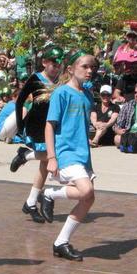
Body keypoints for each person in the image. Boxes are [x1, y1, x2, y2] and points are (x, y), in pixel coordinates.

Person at [39, 52, 98, 261]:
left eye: (92, 67)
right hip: (66, 152)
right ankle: (50, 194)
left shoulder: (87, 95)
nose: (90, 70)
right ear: (71, 69)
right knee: (86, 190)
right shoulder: (61, 93)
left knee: (88, 198)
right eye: (84, 66)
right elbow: (49, 125)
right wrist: (52, 157)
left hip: (83, 154)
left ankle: (61, 242)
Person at [9, 47, 64, 223]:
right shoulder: (35, 79)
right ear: (45, 63)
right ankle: (25, 155)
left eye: (58, 65)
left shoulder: (61, 81)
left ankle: (31, 202)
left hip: (52, 125)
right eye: (53, 64)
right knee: (49, 157)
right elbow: (19, 101)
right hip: (37, 126)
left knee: (46, 163)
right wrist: (19, 125)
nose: (56, 68)